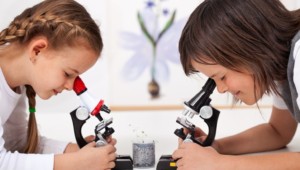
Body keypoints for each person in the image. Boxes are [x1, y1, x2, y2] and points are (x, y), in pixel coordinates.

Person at [172, 0, 300, 169]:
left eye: (222, 77)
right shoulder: (278, 65)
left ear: (249, 49)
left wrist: (222, 164)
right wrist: (217, 148)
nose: (221, 89)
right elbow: (278, 132)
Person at [0, 0, 117, 170]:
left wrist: (76, 151)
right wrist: (76, 163)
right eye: (68, 74)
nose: (70, 87)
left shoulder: (15, 84)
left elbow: (16, 142)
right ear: (38, 50)